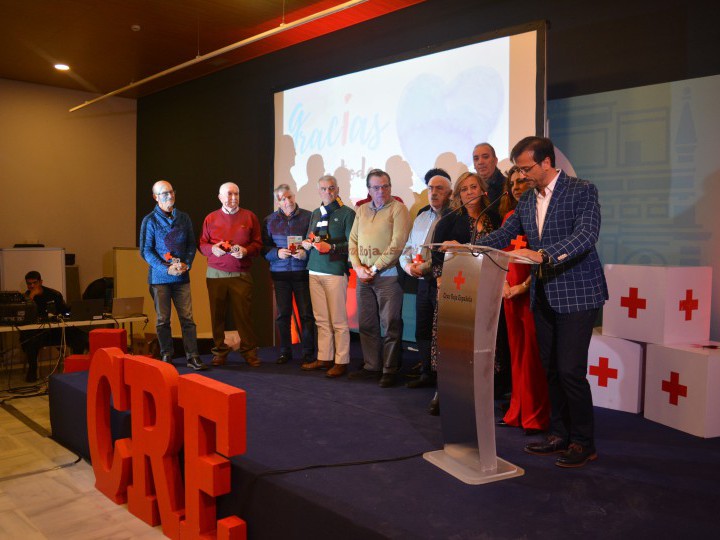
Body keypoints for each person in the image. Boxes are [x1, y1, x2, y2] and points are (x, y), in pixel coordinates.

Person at [477, 136, 608, 468]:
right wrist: (468, 246)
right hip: (544, 294)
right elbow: (504, 236)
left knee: (570, 371)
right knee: (550, 369)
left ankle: (583, 442)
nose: (520, 177)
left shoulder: (582, 190)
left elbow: (586, 235)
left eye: (526, 168)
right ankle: (559, 434)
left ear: (547, 162)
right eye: (518, 170)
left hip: (578, 293)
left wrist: (545, 254)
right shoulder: (526, 201)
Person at [430, 172, 494, 414]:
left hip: (485, 291)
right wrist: (439, 282)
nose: (469, 192)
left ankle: (480, 392)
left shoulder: (494, 219)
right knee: (453, 344)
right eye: (464, 189)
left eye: (474, 187)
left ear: (482, 190)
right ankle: (444, 392)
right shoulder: (448, 221)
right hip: (455, 292)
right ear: (458, 195)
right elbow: (436, 255)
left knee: (479, 345)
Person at [496, 166, 550, 435]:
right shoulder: (509, 216)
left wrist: (523, 287)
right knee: (516, 355)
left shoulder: (541, 217)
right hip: (509, 295)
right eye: (512, 183)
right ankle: (517, 410)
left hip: (532, 293)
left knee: (532, 358)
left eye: (521, 181)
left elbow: (542, 257)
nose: (516, 187)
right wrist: (505, 284)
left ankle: (536, 415)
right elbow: (501, 254)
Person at [348, 168, 411, 387]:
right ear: (369, 190)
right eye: (376, 187)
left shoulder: (399, 209)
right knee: (367, 324)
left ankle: (390, 369)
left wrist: (373, 269)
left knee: (391, 324)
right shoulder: (362, 210)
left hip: (388, 277)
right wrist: (357, 267)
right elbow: (352, 241)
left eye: (385, 186)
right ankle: (371, 366)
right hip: (363, 276)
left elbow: (397, 246)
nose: (381, 191)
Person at [139, 180, 207, 371]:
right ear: (155, 197)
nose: (169, 196)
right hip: (160, 279)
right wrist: (165, 267)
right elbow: (145, 251)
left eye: (171, 192)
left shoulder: (183, 218)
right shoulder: (149, 220)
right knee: (163, 320)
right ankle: (166, 354)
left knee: (187, 318)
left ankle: (192, 356)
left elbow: (191, 245)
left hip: (182, 278)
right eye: (164, 194)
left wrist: (187, 263)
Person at [198, 182, 262, 367]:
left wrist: (246, 251)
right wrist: (212, 249)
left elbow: (258, 244)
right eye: (229, 194)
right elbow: (202, 244)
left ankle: (249, 351)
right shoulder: (210, 218)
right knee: (217, 316)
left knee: (244, 315)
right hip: (215, 274)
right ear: (220, 197)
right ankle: (219, 351)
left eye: (236, 194)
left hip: (241, 273)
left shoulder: (249, 217)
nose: (233, 198)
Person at [400, 168, 452, 389]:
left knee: (443, 331)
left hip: (444, 282)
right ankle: (427, 373)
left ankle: (445, 378)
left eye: (439, 189)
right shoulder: (421, 217)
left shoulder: (454, 218)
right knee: (421, 329)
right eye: (430, 188)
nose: (434, 192)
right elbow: (408, 249)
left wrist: (426, 267)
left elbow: (447, 254)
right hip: (421, 282)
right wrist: (408, 267)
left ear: (450, 193)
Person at [301, 175, 356, 378]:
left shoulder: (347, 213)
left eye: (331, 188)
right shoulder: (316, 212)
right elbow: (311, 236)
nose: (328, 192)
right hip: (313, 269)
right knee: (321, 320)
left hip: (334, 271)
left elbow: (352, 245)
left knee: (339, 321)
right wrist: (308, 243)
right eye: (323, 189)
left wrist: (331, 247)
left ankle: (341, 361)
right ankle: (324, 357)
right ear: (319, 191)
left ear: (338, 189)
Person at [473, 141, 512, 399]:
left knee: (504, 333)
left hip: (506, 264)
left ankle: (505, 385)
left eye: (485, 157)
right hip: (481, 265)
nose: (480, 162)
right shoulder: (476, 188)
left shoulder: (507, 186)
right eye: (476, 158)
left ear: (496, 159)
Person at [261, 184, 315, 364]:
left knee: (307, 314)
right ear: (278, 201)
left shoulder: (308, 216)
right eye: (283, 198)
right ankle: (285, 351)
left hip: (302, 272)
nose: (288, 201)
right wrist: (276, 253)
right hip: (280, 274)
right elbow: (263, 248)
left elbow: (314, 242)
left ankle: (308, 352)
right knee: (283, 315)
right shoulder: (269, 220)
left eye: (290, 197)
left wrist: (305, 254)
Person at [20, 271, 87, 382]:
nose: (32, 286)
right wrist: (31, 297)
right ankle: (32, 371)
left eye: (34, 283)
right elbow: (24, 315)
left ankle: (76, 368)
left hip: (56, 331)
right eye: (29, 283)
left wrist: (76, 311)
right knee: (29, 341)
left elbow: (65, 310)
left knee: (79, 336)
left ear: (40, 282)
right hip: (37, 333)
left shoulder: (54, 294)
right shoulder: (26, 298)